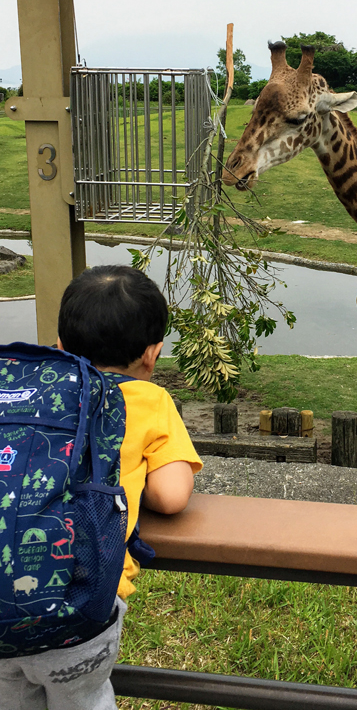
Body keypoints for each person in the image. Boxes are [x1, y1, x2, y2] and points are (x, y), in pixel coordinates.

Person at [0, 265, 202, 710]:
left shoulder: (22, 391)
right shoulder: (149, 400)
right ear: (153, 354)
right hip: (79, 606)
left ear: (59, 346)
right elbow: (171, 497)